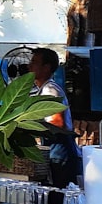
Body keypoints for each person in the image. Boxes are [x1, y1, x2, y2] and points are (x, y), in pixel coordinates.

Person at [28, 46, 82, 189]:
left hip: (60, 152)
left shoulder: (50, 90)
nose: (29, 65)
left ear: (46, 67)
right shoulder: (42, 89)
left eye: (34, 62)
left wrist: (30, 126)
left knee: (59, 197)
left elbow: (57, 122)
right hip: (54, 151)